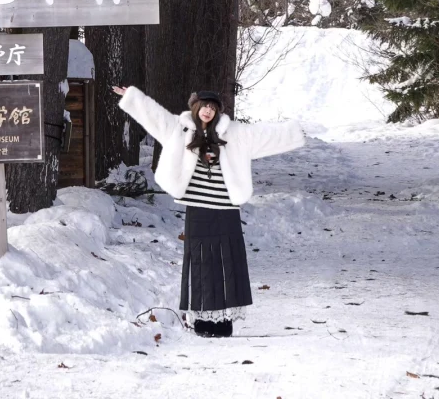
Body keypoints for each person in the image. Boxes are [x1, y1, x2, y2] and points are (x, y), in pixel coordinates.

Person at [113, 83, 305, 337]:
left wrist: (293, 131)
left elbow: (265, 135)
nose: (207, 111)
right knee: (201, 265)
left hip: (226, 208)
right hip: (198, 209)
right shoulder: (180, 129)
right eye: (204, 106)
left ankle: (224, 322)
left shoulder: (234, 133)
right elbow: (154, 116)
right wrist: (132, 97)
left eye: (212, 108)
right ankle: (203, 321)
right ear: (196, 107)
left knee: (227, 264)